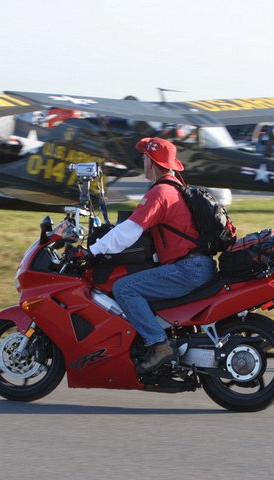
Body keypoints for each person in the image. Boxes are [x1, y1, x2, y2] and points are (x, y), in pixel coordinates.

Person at [86, 137, 217, 374]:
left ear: (152, 162)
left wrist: (92, 250)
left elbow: (128, 232)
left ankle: (158, 344)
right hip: (197, 265)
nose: (143, 161)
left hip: (188, 269)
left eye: (144, 157)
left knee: (124, 288)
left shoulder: (160, 192)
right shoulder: (175, 186)